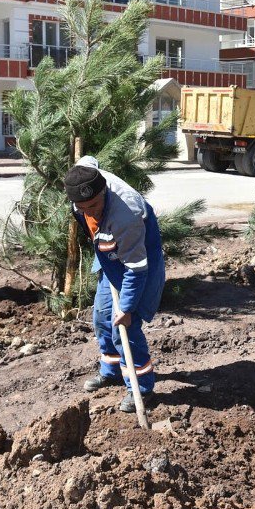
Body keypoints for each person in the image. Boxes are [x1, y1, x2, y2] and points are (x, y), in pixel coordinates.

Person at [65, 156, 165, 414]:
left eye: (95, 205)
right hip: (110, 257)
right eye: (83, 207)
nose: (90, 212)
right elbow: (88, 161)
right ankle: (111, 371)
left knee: (125, 326)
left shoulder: (126, 215)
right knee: (101, 317)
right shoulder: (84, 187)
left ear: (104, 191)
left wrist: (128, 308)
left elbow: (136, 268)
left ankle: (141, 389)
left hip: (139, 262)